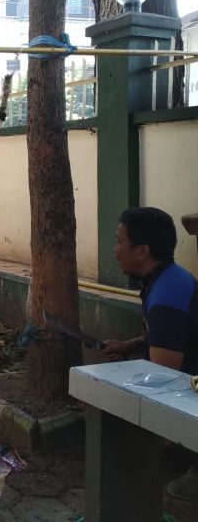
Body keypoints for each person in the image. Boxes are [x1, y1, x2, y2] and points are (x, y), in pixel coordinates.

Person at [101, 207, 198, 503]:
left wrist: (101, 390)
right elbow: (172, 338)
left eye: (119, 241)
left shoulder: (166, 294)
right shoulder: (169, 278)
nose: (115, 249)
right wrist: (131, 345)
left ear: (142, 251)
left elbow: (163, 374)